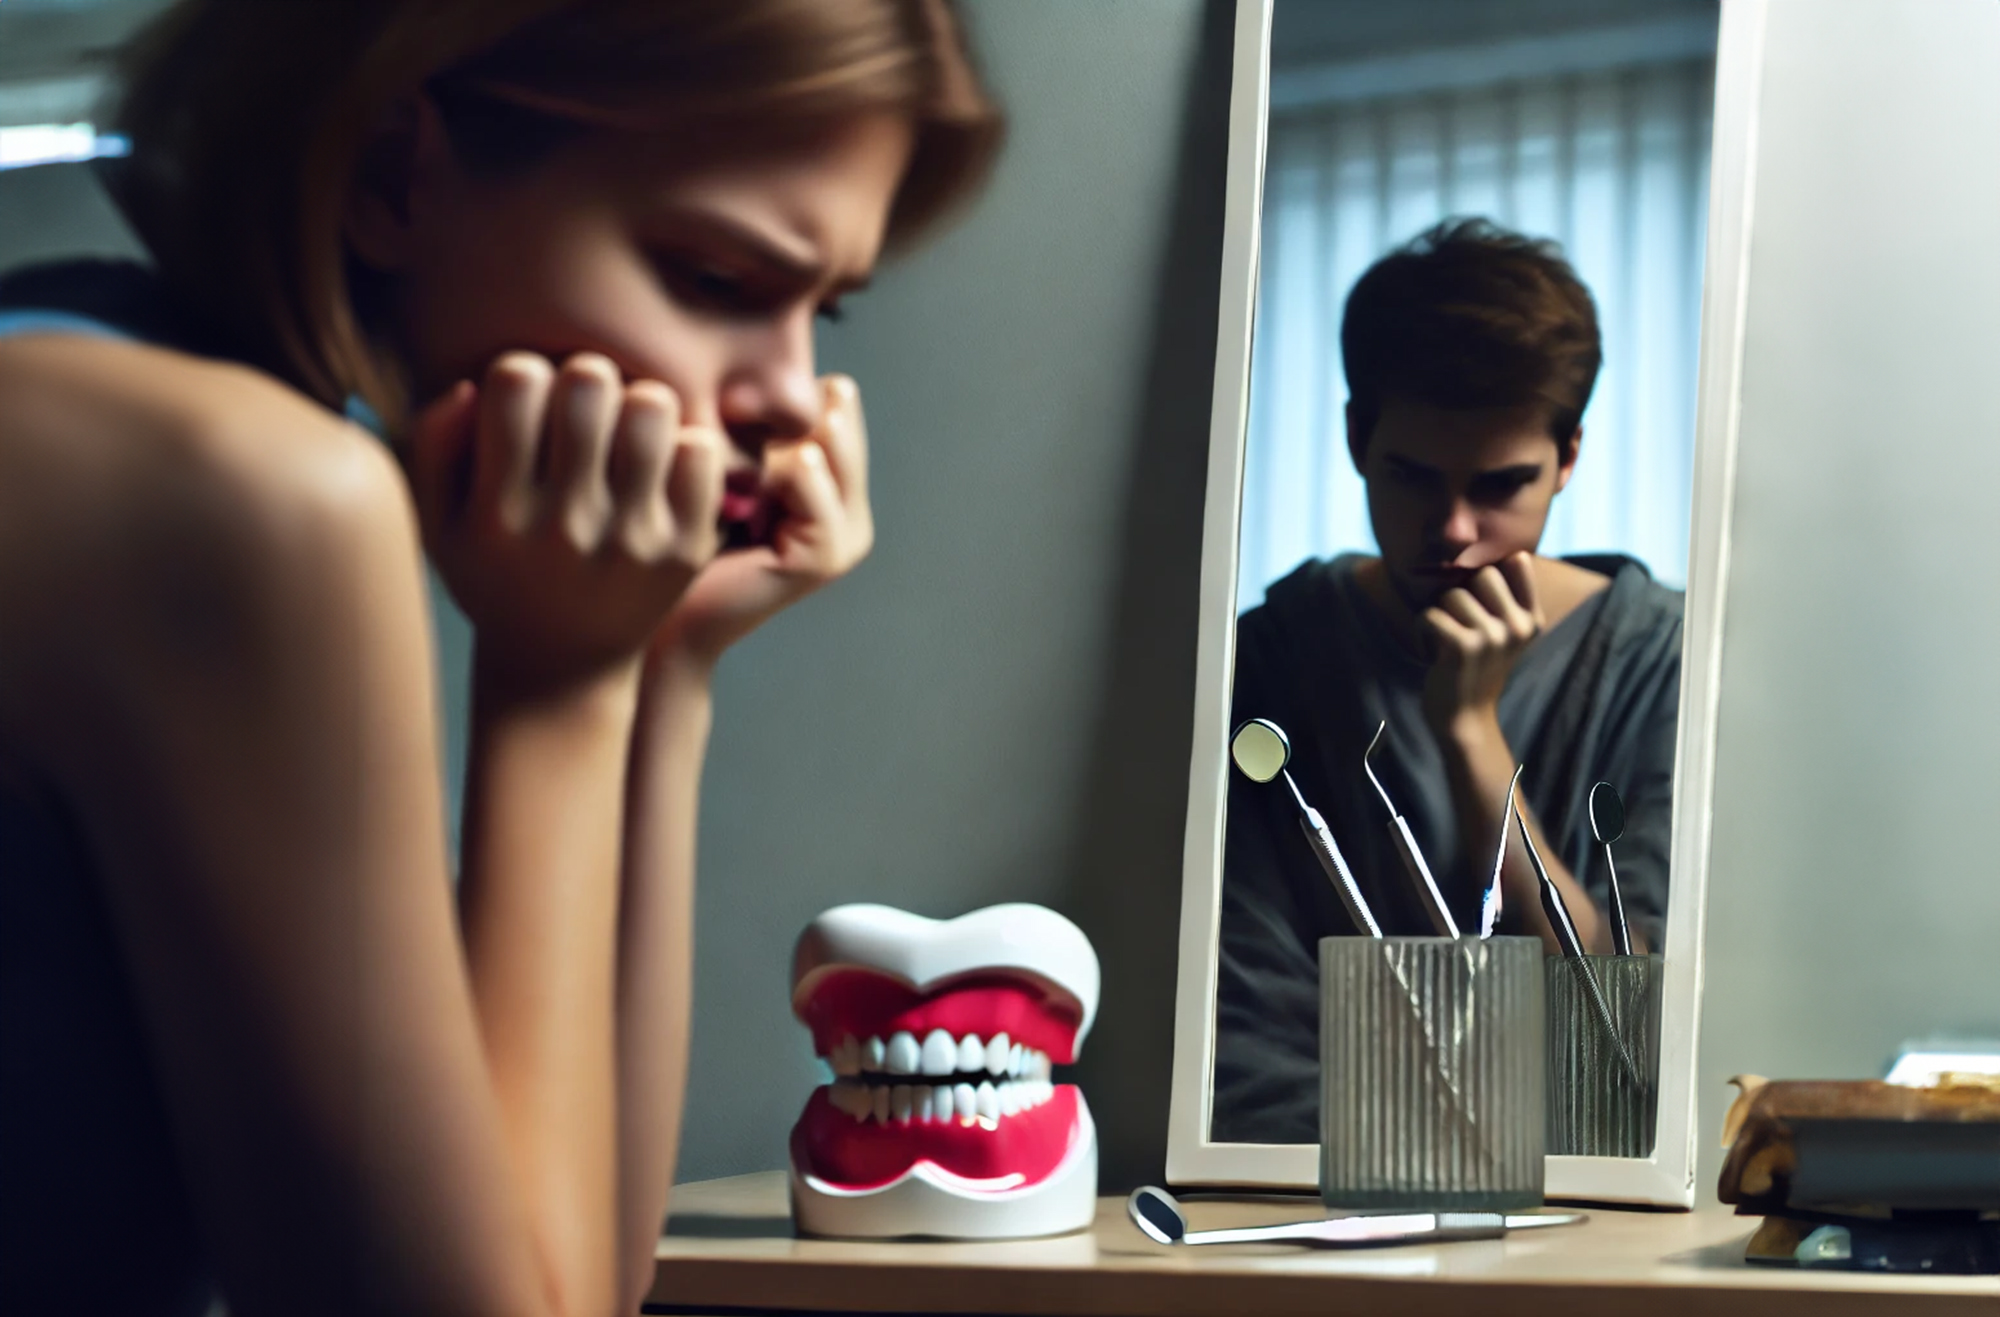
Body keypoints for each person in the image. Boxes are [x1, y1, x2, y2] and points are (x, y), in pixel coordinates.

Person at [0, 2, 1001, 1312]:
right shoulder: (252, 500)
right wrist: (560, 688)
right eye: (715, 280)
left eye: (828, 315)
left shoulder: (95, 384)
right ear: (388, 179)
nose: (787, 396)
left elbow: (583, 1270)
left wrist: (660, 660)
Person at [1211, 219, 1684, 1144]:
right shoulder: (1275, 655)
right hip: (1322, 1220)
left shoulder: (1655, 658)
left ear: (1569, 460)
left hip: (1586, 1233)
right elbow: (1244, 1041)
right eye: (1414, 477)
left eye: (1502, 485)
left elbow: (1617, 1045)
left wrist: (1473, 735)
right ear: (1356, 437)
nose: (1455, 531)